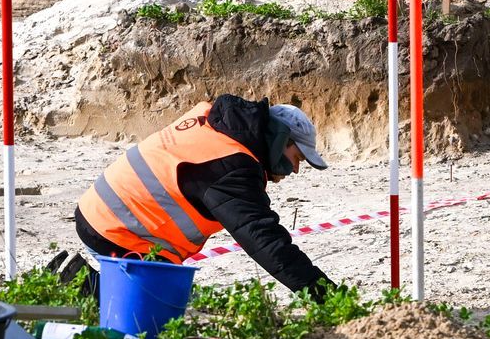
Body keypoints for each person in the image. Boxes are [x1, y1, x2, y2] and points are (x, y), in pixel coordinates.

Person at [69, 95, 340, 298]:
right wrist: (327, 297)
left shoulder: (218, 128)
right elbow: (266, 243)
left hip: (103, 212)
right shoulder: (232, 166)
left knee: (161, 305)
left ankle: (72, 283)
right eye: (297, 158)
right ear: (282, 140)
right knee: (157, 314)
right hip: (118, 230)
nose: (295, 169)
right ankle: (71, 283)